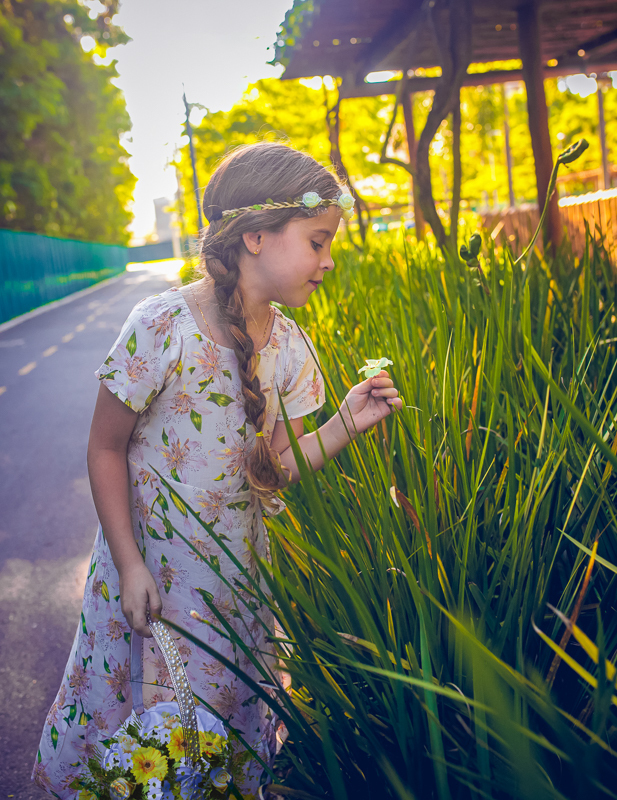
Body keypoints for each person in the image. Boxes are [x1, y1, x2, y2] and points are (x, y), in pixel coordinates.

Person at [33, 141, 403, 798]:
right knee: (145, 737)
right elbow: (104, 448)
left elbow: (275, 470)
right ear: (255, 236)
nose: (327, 259)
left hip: (237, 581)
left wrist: (345, 422)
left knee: (222, 734)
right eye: (317, 241)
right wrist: (128, 564)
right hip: (153, 573)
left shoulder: (289, 346)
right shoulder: (161, 325)